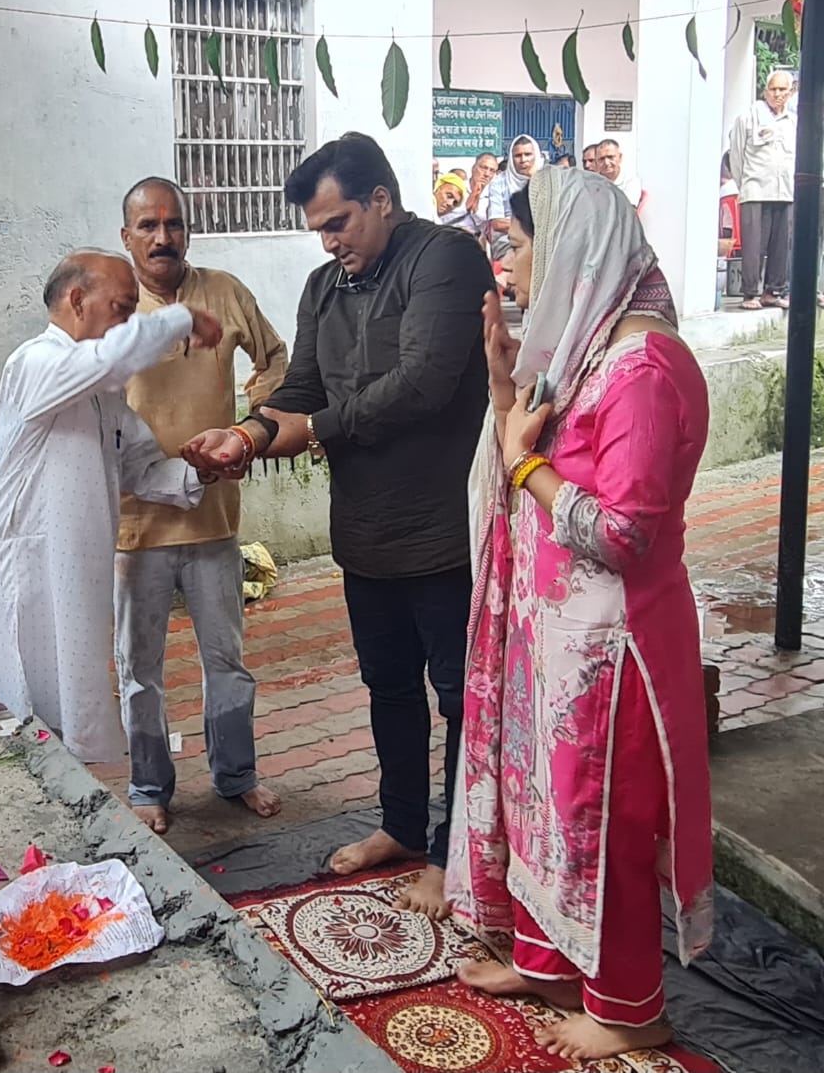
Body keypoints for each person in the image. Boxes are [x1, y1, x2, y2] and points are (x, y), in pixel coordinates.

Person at [183, 133, 493, 917]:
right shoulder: (324, 286)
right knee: (388, 685)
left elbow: (423, 382)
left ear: (381, 200)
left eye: (339, 222)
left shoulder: (446, 259)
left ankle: (457, 852)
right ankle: (403, 826)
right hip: (365, 528)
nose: (328, 242)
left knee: (462, 696)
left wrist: (316, 428)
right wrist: (246, 435)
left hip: (447, 530)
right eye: (319, 229)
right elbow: (303, 387)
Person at [449, 167, 712, 1062]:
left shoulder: (643, 367)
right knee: (552, 809)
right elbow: (527, 448)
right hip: (559, 637)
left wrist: (526, 465)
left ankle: (632, 1010)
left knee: (607, 822)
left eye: (519, 244)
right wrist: (503, 389)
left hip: (616, 644)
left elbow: (625, 531)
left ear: (572, 246)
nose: (509, 265)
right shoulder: (588, 348)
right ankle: (550, 962)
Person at [0, 252, 223, 763]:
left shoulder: (101, 393)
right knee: (27, 717)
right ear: (77, 300)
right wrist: (179, 318)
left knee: (74, 710)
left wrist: (204, 468)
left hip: (77, 573)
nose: (129, 322)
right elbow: (111, 359)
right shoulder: (35, 362)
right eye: (122, 308)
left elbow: (142, 470)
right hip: (28, 572)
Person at [115, 178, 287, 834]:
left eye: (174, 224)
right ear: (126, 236)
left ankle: (235, 774)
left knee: (226, 660)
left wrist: (250, 427)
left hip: (213, 516)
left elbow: (276, 359)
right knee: (140, 669)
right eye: (148, 226)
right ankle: (149, 784)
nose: (163, 237)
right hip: (136, 524)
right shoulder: (116, 305)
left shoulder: (224, 291)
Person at [729, 70, 797, 310]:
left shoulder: (793, 122)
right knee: (754, 245)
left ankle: (773, 291)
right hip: (756, 189)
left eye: (782, 89)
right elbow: (736, 156)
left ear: (791, 92)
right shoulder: (748, 117)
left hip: (785, 190)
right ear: (765, 91)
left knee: (782, 244)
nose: (777, 94)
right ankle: (750, 293)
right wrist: (744, 183)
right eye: (773, 89)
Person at [487, 134, 543, 261]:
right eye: (518, 156)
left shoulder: (546, 180)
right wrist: (534, 229)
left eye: (528, 154)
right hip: (507, 240)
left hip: (542, 240)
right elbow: (498, 223)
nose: (523, 160)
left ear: (536, 155)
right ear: (511, 159)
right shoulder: (499, 183)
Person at [594, 139, 643, 208]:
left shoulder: (631, 181)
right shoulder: (592, 181)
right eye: (601, 159)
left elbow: (628, 208)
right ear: (596, 162)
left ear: (620, 157)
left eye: (610, 157)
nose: (606, 163)